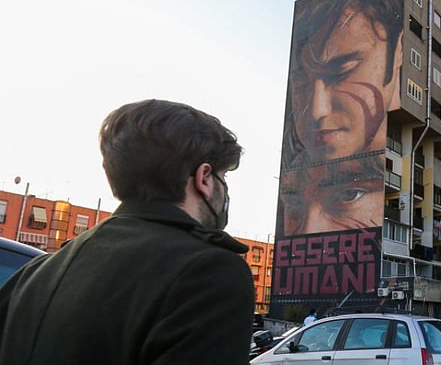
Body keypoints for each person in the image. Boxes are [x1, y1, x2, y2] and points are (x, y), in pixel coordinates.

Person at [0, 99, 254, 364]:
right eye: (223, 177)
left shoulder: (34, 273)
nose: (224, 190)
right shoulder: (209, 273)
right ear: (203, 178)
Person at [279, 0, 404, 235]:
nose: (317, 110)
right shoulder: (296, 160)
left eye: (341, 71)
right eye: (301, 82)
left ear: (398, 53)